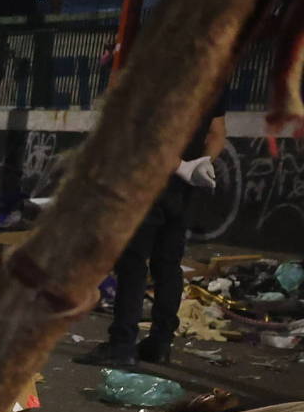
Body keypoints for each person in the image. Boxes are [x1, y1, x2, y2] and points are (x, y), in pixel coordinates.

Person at [81, 105, 227, 367]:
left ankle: (122, 345)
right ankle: (160, 344)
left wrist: (181, 166)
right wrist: (201, 162)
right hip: (184, 189)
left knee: (132, 264)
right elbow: (217, 133)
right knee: (168, 265)